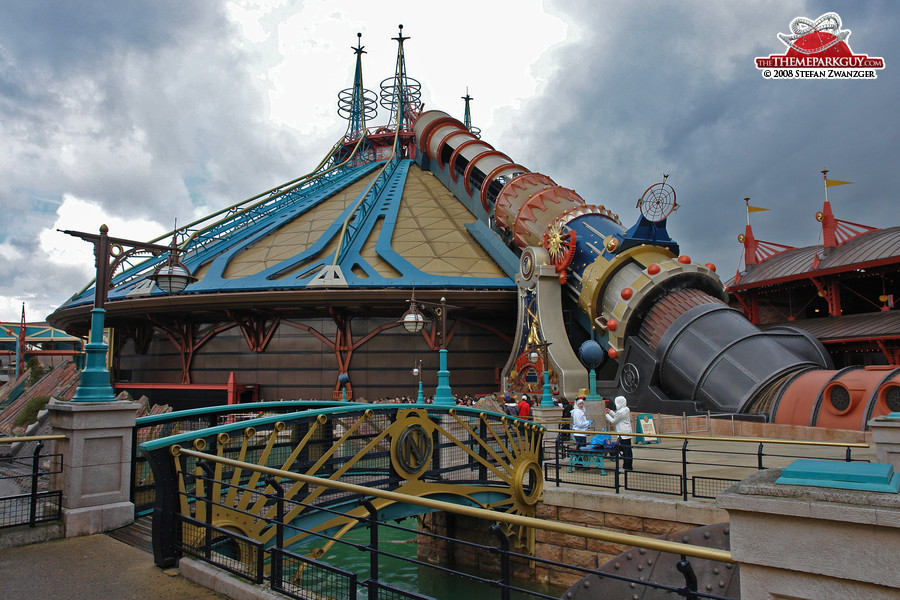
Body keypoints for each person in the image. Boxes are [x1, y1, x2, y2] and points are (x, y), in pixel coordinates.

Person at [605, 395, 633, 470]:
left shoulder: (621, 411)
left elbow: (614, 421)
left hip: (623, 433)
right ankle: (628, 465)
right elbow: (617, 416)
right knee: (627, 450)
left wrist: (607, 415)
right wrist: (610, 412)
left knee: (626, 450)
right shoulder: (626, 409)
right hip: (626, 433)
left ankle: (627, 466)